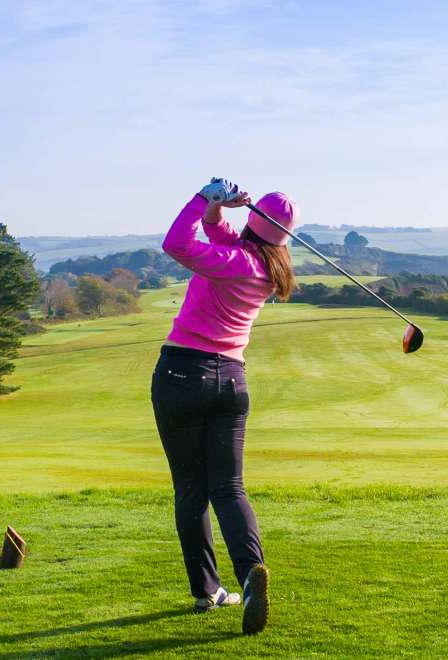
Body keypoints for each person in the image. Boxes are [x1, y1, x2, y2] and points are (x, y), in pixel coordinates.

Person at [153, 178, 297, 635]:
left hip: (182, 375)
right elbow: (218, 234)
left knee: (192, 489)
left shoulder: (235, 262)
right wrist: (218, 209)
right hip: (231, 381)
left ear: (253, 224)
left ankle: (207, 591)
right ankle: (250, 576)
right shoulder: (265, 266)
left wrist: (202, 197)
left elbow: (175, 243)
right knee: (229, 489)